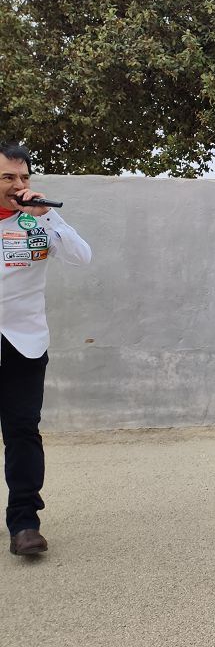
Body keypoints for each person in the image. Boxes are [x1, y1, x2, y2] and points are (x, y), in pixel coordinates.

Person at [0, 143, 92, 556]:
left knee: (22, 431)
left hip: (24, 344)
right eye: (8, 178)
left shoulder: (40, 223)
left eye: (23, 177)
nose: (19, 185)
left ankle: (24, 523)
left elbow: (81, 256)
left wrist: (48, 215)